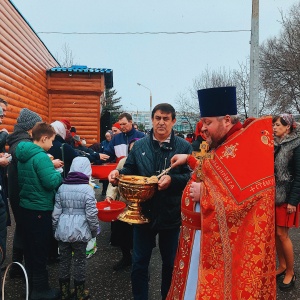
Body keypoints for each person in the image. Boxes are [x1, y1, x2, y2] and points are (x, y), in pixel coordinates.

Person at [167, 87, 276, 299]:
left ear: (226, 120)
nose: (202, 129)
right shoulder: (227, 143)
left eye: (207, 123)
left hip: (227, 252)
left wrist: (205, 194)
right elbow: (217, 171)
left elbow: (249, 201)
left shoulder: (244, 146)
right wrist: (188, 159)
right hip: (201, 238)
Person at [108, 103, 192, 300]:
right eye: (157, 118)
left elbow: (190, 178)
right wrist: (118, 173)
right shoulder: (140, 146)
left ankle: (167, 296)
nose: (161, 122)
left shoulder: (183, 147)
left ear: (173, 121)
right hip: (142, 214)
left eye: (165, 118)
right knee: (139, 263)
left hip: (170, 214)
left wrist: (173, 180)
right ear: (152, 120)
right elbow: (129, 169)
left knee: (170, 263)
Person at [16, 122, 62, 300]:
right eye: (51, 140)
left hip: (26, 207)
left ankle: (31, 286)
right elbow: (50, 182)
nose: (52, 144)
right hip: (40, 208)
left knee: (30, 248)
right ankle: (41, 290)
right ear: (43, 138)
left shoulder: (23, 154)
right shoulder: (41, 157)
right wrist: (58, 174)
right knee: (40, 249)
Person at [52, 156, 99, 300]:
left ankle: (65, 292)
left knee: (64, 261)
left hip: (63, 230)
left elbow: (56, 213)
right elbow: (91, 215)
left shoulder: (62, 187)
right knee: (80, 262)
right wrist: (93, 230)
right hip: (81, 231)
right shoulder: (88, 189)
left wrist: (55, 229)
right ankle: (79, 293)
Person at [6, 108, 43, 278]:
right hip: (22, 193)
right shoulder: (22, 143)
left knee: (21, 227)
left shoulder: (18, 140)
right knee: (25, 229)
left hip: (17, 190)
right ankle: (24, 269)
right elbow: (24, 156)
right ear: (29, 127)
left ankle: (16, 266)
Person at [273, 113, 300, 291]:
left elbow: (299, 176)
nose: (274, 128)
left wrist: (292, 201)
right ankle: (282, 266)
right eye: (274, 125)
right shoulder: (274, 144)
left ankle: (291, 272)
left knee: (283, 235)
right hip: (273, 196)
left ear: (288, 127)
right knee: (276, 234)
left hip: (287, 196)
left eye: (278, 125)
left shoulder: (296, 145)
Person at [105, 138, 140, 271]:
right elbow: (114, 181)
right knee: (122, 234)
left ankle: (140, 264)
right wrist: (110, 196)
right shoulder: (123, 162)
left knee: (139, 237)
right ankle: (126, 257)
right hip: (123, 205)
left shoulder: (147, 163)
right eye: (131, 150)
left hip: (140, 206)